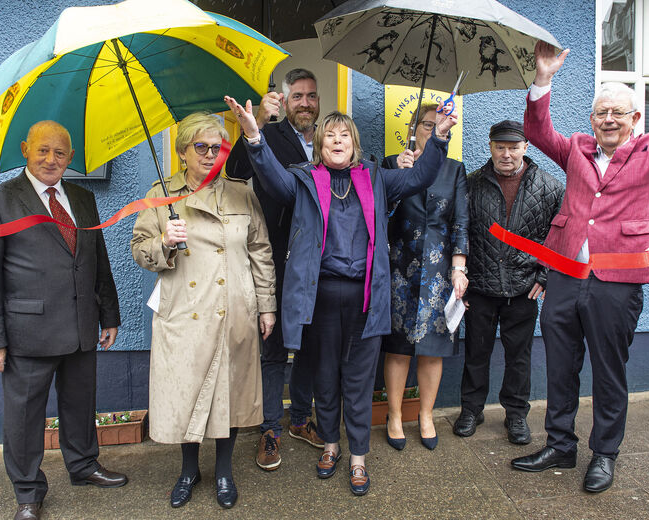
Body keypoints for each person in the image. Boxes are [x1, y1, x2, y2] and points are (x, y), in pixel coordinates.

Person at [511, 19, 649, 493]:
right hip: (565, 277)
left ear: (635, 118)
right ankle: (560, 445)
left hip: (617, 282)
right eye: (601, 113)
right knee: (560, 365)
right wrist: (543, 80)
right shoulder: (576, 149)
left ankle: (604, 453)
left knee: (608, 370)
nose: (608, 120)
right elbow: (537, 132)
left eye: (617, 113)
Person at [224, 93, 457, 496]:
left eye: (344, 135)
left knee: (360, 380)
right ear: (319, 144)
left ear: (354, 145)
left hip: (367, 298)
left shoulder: (376, 178)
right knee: (326, 377)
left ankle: (359, 457)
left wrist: (436, 139)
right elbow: (271, 179)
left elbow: (420, 177)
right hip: (321, 297)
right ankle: (331, 445)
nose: (336, 140)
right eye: (329, 134)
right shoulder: (303, 179)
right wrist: (253, 135)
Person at [0, 120, 126, 520]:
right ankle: (27, 491)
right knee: (24, 418)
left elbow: (97, 259)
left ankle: (84, 465)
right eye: (42, 150)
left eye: (59, 153)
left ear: (71, 158)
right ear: (25, 149)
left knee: (80, 405)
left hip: (80, 326)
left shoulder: (82, 198)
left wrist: (109, 314)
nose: (51, 160)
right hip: (27, 333)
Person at [131, 112, 276, 509]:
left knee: (228, 392)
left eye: (218, 147)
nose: (211, 154)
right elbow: (140, 250)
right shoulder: (161, 194)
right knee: (187, 393)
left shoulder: (241, 192)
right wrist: (163, 240)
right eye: (202, 147)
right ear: (182, 153)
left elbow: (260, 250)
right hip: (185, 312)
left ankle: (225, 471)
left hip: (234, 308)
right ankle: (189, 469)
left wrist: (266, 306)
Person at [226, 68, 323, 470]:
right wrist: (259, 122)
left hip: (318, 263)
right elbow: (234, 171)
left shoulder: (328, 137)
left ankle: (299, 419)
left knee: (310, 347)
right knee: (273, 347)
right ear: (284, 100)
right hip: (277, 258)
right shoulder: (270, 134)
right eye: (297, 96)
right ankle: (270, 428)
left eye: (311, 96)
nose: (305, 103)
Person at [455, 120, 564, 445]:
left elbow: (560, 237)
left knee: (519, 356)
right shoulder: (471, 184)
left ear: (526, 148)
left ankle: (516, 414)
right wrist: (462, 278)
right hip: (481, 287)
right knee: (476, 353)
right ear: (490, 146)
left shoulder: (549, 187)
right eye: (500, 147)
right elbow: (460, 232)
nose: (506, 154)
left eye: (513, 147)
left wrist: (544, 275)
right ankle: (471, 410)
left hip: (523, 288)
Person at [382, 102, 469, 451]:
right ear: (413, 129)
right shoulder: (392, 164)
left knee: (434, 349)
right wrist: (398, 178)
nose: (433, 131)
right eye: (427, 125)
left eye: (441, 126)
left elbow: (461, 221)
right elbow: (379, 217)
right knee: (398, 348)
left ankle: (427, 414)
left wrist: (459, 268)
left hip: (439, 272)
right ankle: (393, 414)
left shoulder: (454, 170)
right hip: (398, 267)